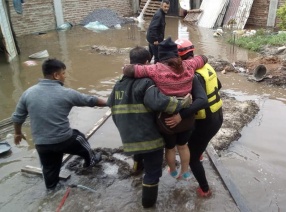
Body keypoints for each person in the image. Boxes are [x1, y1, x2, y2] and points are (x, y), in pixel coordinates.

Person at [108, 46, 195, 208]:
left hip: (128, 134)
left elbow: (109, 102)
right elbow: (160, 103)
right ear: (147, 63)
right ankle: (148, 205)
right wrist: (182, 103)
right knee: (152, 173)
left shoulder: (119, 83)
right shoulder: (146, 82)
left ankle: (136, 168)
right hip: (148, 136)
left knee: (139, 152)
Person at [12, 58, 107, 191]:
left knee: (50, 172)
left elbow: (17, 117)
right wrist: (111, 102)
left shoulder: (28, 93)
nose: (65, 76)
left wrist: (17, 132)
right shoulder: (66, 93)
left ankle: (52, 191)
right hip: (64, 140)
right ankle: (92, 160)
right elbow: (90, 100)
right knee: (80, 137)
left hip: (42, 144)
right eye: (63, 73)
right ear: (56, 75)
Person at [123, 37, 208, 180]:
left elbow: (131, 70)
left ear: (160, 55)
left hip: (166, 119)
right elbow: (203, 58)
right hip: (187, 118)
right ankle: (185, 172)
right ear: (176, 53)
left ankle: (173, 171)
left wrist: (125, 68)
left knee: (170, 147)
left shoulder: (155, 69)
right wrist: (198, 60)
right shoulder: (189, 65)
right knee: (183, 146)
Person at [174, 38, 224, 197]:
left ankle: (205, 189)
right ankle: (200, 151)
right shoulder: (206, 66)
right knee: (198, 143)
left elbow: (201, 103)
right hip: (218, 116)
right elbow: (219, 86)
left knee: (192, 158)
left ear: (178, 57)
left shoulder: (192, 74)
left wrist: (180, 115)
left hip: (206, 121)